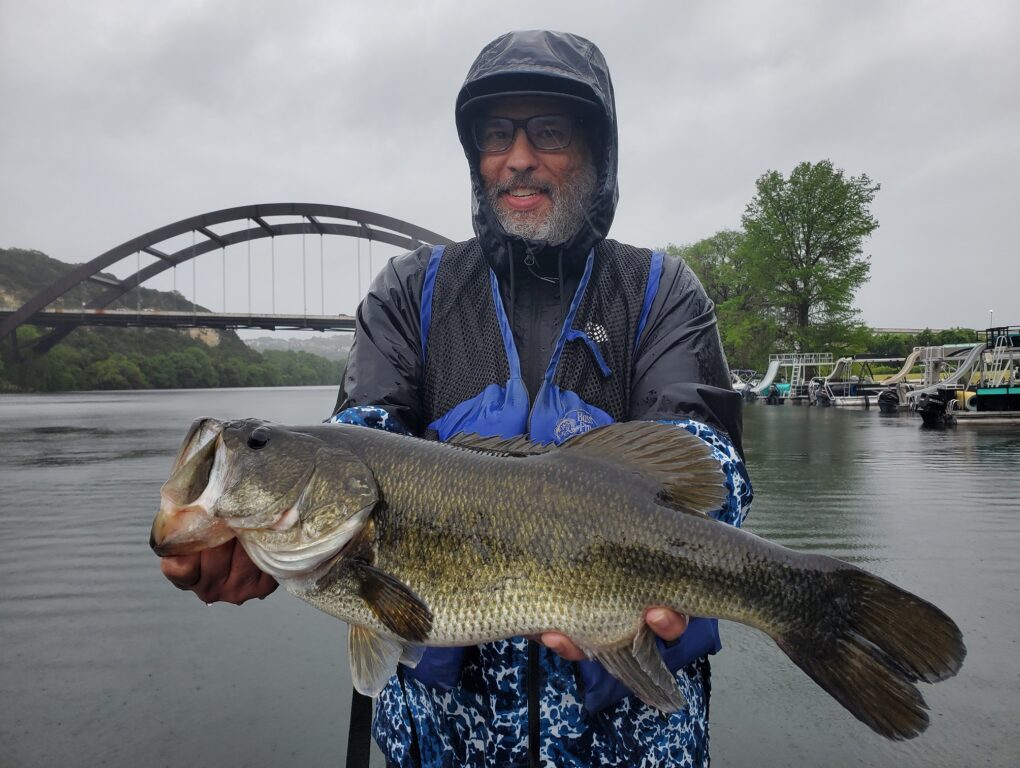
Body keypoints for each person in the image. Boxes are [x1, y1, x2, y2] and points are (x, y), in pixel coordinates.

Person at [161, 29, 751, 767]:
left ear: (599, 153)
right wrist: (263, 538)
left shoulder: (663, 292)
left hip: (636, 744)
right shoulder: (409, 292)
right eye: (496, 134)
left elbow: (711, 466)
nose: (519, 156)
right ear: (475, 156)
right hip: (443, 745)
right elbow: (362, 431)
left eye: (551, 132)